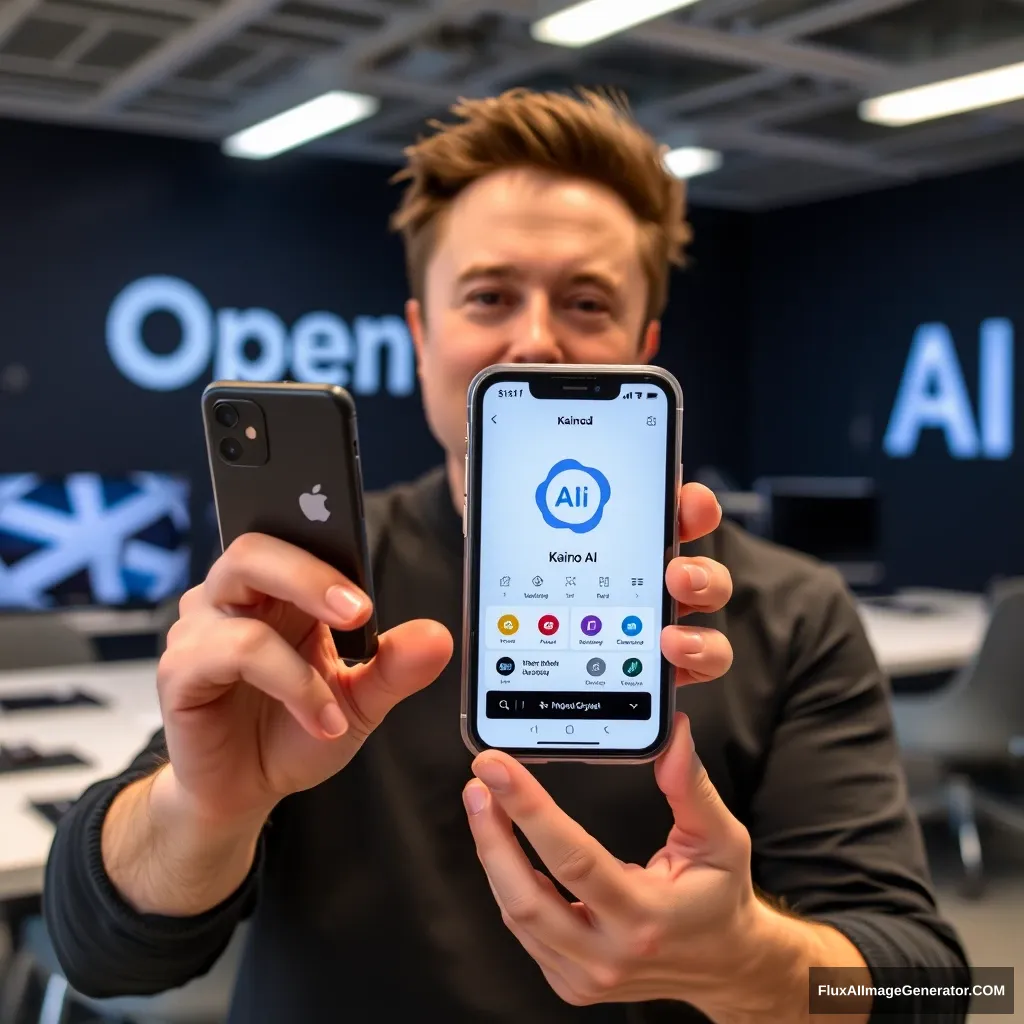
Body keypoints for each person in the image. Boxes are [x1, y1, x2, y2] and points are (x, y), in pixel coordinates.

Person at [44, 89, 969, 1023]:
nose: (534, 338)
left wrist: (747, 962)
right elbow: (97, 952)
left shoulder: (794, 611)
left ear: (644, 349)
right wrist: (201, 809)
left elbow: (936, 986)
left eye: (587, 300)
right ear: (421, 338)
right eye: (489, 296)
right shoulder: (315, 580)